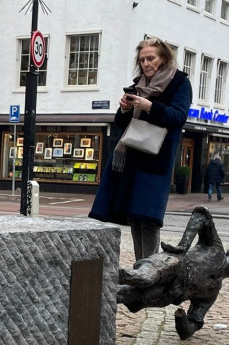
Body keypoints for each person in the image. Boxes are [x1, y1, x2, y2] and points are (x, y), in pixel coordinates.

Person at [90, 37, 192, 260]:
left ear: (163, 58)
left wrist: (150, 106)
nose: (146, 63)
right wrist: (125, 109)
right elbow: (122, 123)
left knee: (148, 219)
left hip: (156, 159)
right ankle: (141, 266)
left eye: (150, 58)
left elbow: (178, 117)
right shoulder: (139, 84)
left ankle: (151, 268)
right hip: (132, 156)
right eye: (142, 59)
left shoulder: (179, 83)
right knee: (133, 216)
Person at [117, 206, 229, 340]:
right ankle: (110, 272)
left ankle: (103, 292)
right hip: (170, 265)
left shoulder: (211, 294)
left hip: (165, 295)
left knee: (125, 294)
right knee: (144, 278)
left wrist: (181, 320)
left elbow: (191, 327)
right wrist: (184, 245)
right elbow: (202, 215)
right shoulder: (215, 248)